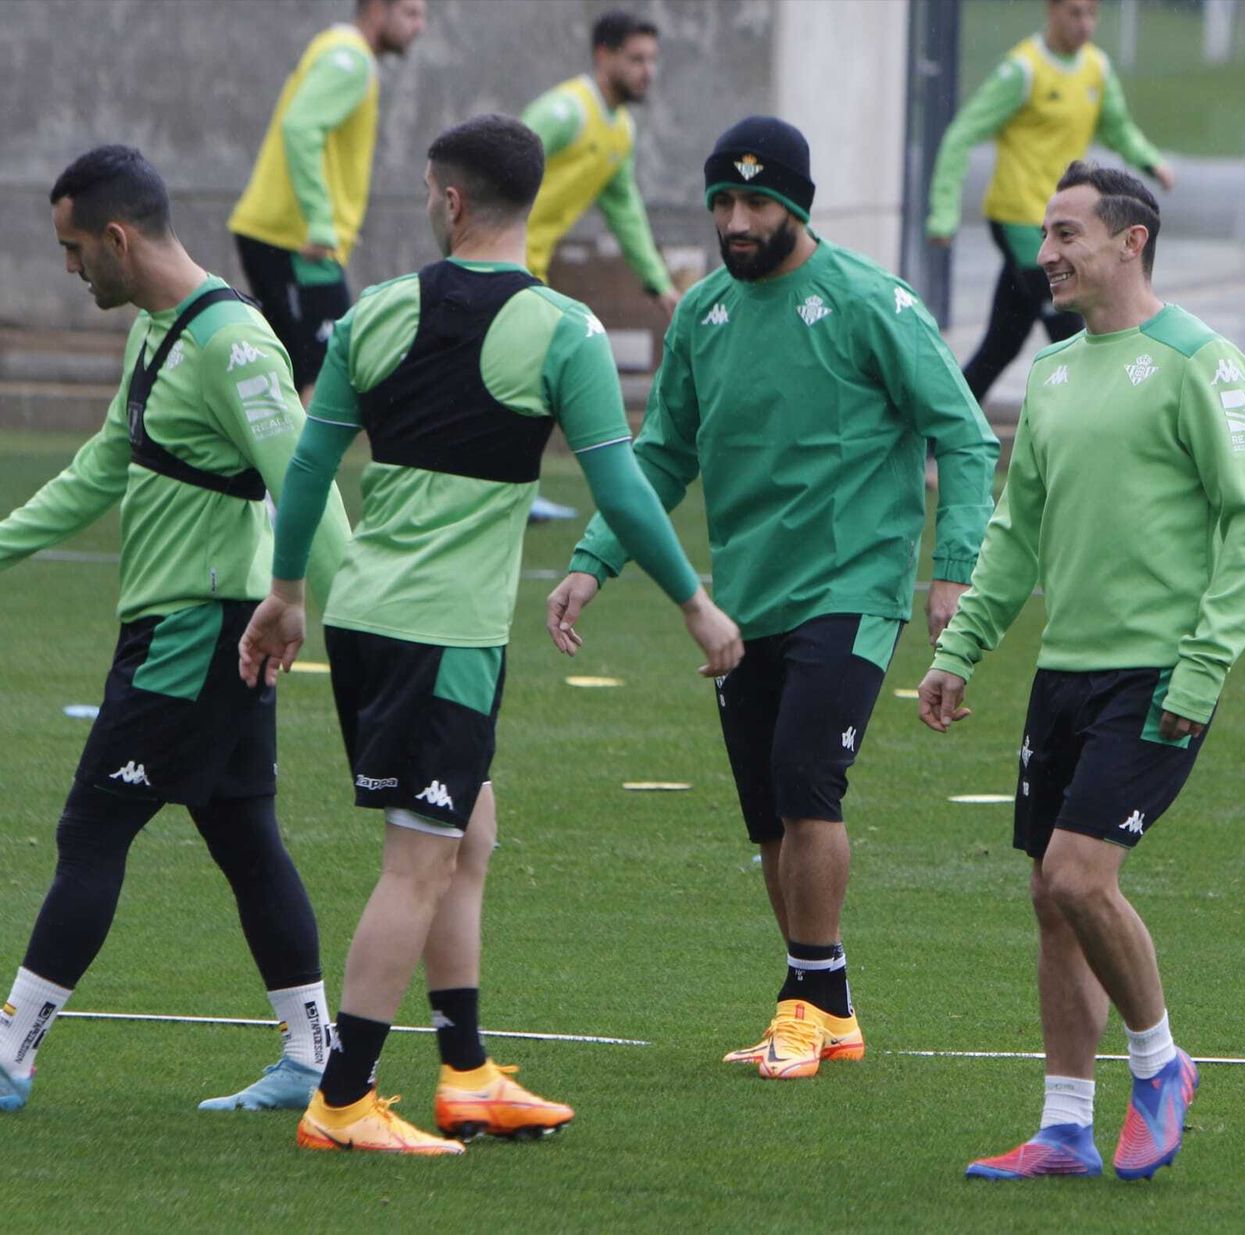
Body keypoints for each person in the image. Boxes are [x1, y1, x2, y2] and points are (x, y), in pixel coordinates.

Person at [239, 113, 743, 1155]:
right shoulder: (564, 332)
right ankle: (343, 1097)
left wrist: (286, 592)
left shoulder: (374, 310)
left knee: (468, 832)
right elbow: (623, 488)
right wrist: (694, 602)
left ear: (452, 198)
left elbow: (307, 466)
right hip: (445, 633)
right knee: (418, 862)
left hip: (368, 614)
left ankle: (465, 1070)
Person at [547, 116, 1000, 1081]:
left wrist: (953, 568)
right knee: (767, 816)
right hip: (745, 601)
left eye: (756, 202)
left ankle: (804, 1000)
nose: (736, 221)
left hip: (854, 584)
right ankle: (827, 1006)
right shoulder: (702, 315)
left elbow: (963, 434)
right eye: (723, 202)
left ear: (796, 205)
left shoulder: (871, 302)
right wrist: (594, 558)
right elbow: (659, 454)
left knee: (805, 779)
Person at [918, 163, 1245, 1180]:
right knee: (1051, 894)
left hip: (1158, 672)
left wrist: (1202, 667)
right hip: (1065, 673)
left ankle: (1160, 1065)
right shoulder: (1054, 373)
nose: (1045, 254)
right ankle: (1065, 1124)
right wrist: (961, 647)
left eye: (1066, 233)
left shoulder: (1201, 362)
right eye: (1043, 235)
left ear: (1131, 240)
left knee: (1080, 874)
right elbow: (1016, 531)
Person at [0, 146, 351, 1115]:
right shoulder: (158, 329)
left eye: (74, 248)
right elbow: (103, 465)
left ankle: (11, 1053)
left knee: (92, 825)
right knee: (243, 831)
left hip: (198, 629)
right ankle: (312, 1052)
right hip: (186, 625)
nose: (69, 268)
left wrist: (366, 628)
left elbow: (306, 482)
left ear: (117, 238)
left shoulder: (232, 344)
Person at [926, 0, 1175, 407]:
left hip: (1068, 220)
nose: (1085, 24)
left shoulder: (1097, 68)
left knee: (1003, 342)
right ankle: (1100, 419)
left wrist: (1151, 161)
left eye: (1092, 14)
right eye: (1075, 13)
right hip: (1019, 219)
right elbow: (962, 134)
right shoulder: (1022, 70)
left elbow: (1117, 127)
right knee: (1071, 328)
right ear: (1052, 11)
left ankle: (940, 427)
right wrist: (943, 213)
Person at [519, 8, 680, 523]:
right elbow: (499, 158)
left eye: (652, 60)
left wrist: (657, 281)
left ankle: (515, 489)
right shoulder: (567, 111)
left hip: (528, 270)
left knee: (530, 379)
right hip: (499, 268)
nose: (647, 71)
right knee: (536, 374)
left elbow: (624, 209)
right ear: (603, 55)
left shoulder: (621, 130)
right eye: (636, 59)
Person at [229, 0, 428, 403]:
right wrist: (321, 221)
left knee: (296, 378)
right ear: (377, 10)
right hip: (298, 243)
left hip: (283, 236)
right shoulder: (350, 61)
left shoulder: (336, 47)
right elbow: (300, 127)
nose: (420, 26)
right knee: (324, 382)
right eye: (410, 13)